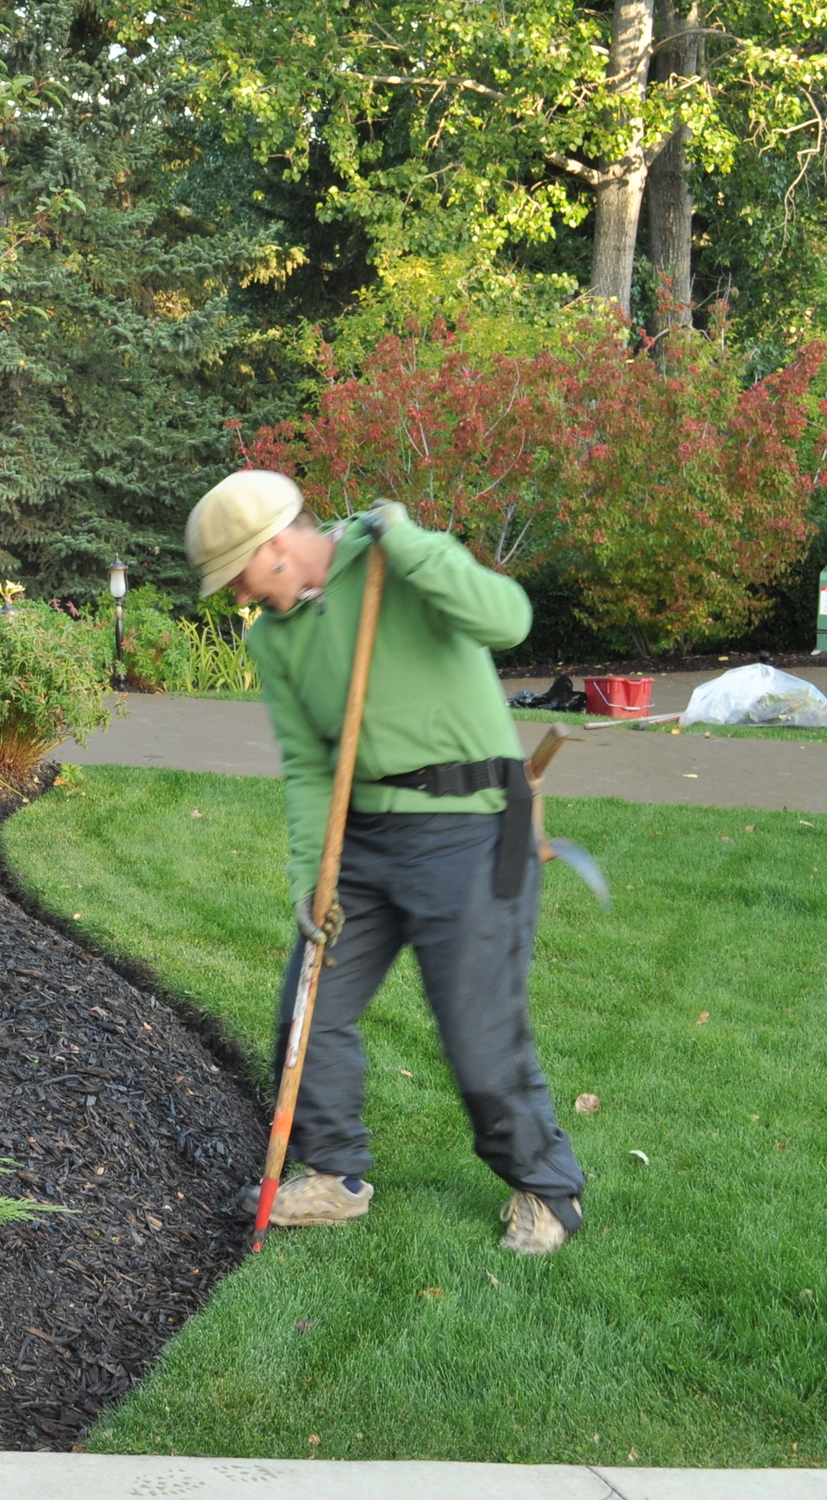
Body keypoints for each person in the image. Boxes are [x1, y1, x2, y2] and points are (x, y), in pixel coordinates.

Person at [185, 470, 585, 1254]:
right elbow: (305, 765)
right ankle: (334, 1175)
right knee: (310, 1011)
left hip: (470, 829)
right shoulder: (273, 636)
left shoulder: (395, 561)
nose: (238, 596)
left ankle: (547, 1187)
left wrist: (413, 546)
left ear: (273, 549)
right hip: (359, 840)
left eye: (238, 577)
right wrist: (311, 879)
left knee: (478, 1028)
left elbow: (510, 621)